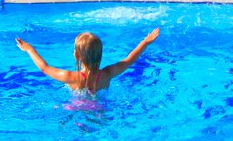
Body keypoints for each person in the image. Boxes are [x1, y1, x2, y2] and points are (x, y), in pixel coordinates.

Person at [15, 28, 160, 93]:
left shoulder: (70, 77)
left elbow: (44, 68)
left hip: (76, 108)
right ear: (100, 54)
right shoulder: (108, 73)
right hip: (100, 108)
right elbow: (129, 60)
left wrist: (29, 49)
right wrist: (145, 42)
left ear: (76, 56)